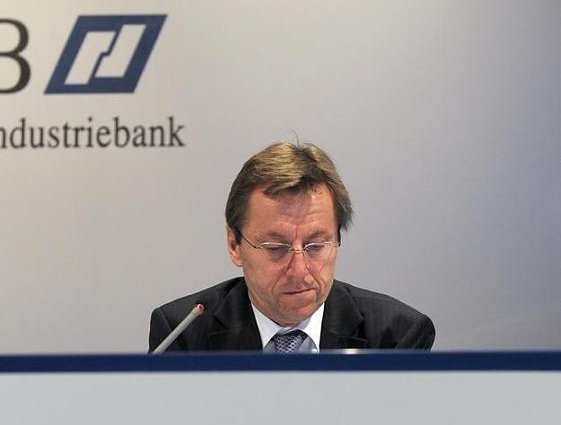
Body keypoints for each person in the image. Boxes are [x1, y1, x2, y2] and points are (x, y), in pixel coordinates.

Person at [149, 142, 435, 352]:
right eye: (276, 248)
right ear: (234, 244)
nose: (299, 270)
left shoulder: (395, 335)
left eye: (316, 246)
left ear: (337, 240)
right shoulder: (183, 334)